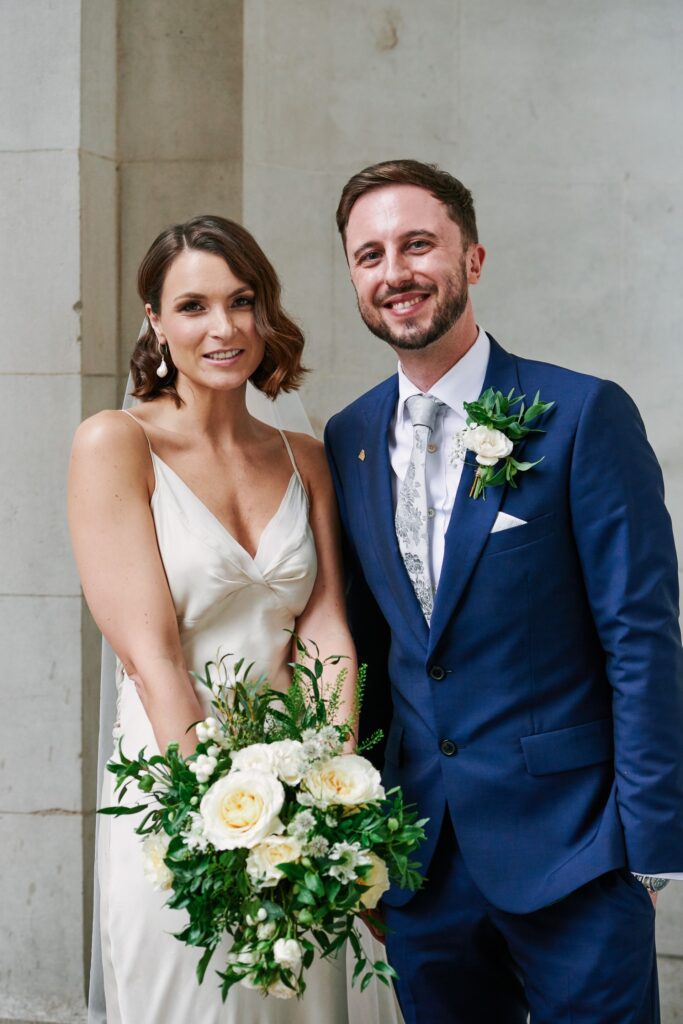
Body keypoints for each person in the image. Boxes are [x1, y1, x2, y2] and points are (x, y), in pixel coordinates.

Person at [324, 159, 683, 1024]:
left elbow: (640, 637)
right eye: (369, 255)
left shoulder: (580, 414)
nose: (395, 273)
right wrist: (367, 847)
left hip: (576, 851)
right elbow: (371, 648)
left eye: (418, 245)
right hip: (421, 862)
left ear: (471, 258)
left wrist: (648, 849)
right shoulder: (349, 437)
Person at [69, 215, 402, 1024]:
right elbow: (152, 660)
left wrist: (328, 795)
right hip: (175, 784)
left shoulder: (304, 455)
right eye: (193, 306)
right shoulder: (115, 443)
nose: (224, 328)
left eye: (242, 301)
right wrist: (226, 819)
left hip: (298, 781)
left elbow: (324, 627)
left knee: (307, 1001)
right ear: (154, 321)